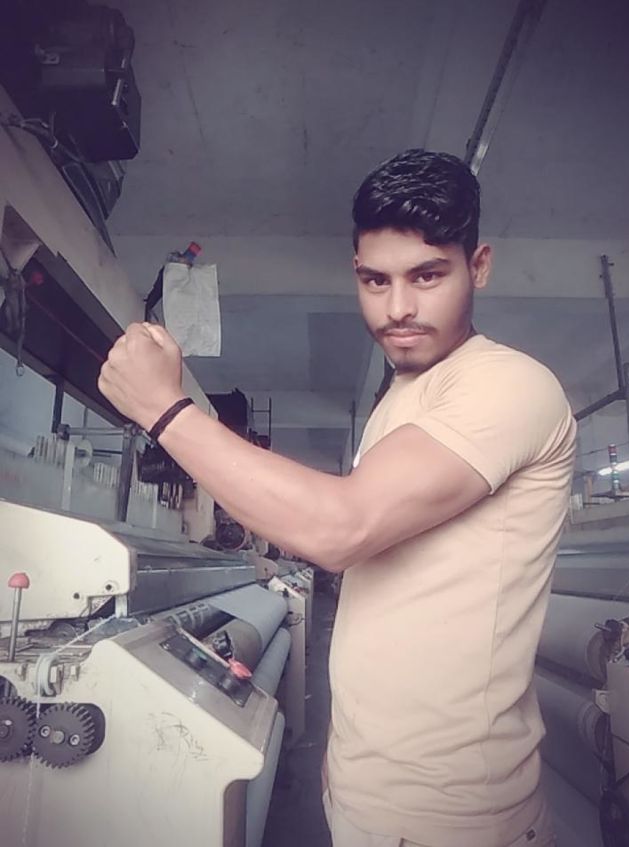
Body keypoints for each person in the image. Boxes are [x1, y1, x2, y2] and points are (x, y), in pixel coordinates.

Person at [98, 150, 576, 847]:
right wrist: (343, 759)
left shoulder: (508, 384)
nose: (398, 307)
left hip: (454, 818)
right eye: (376, 280)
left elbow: (340, 528)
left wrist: (164, 409)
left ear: (478, 267)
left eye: (427, 275)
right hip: (369, 795)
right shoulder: (403, 397)